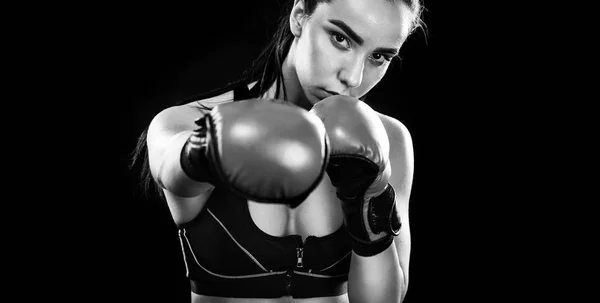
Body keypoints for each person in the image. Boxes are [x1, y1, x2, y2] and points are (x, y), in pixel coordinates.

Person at [131, 0, 425, 302]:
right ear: (299, 17)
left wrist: (368, 200)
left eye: (379, 57)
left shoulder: (390, 139)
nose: (353, 77)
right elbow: (170, 167)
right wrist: (213, 147)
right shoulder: (191, 121)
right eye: (341, 39)